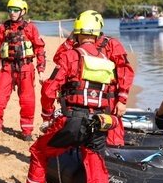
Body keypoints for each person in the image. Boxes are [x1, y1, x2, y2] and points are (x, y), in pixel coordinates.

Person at [19, 11, 123, 183]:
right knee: (96, 170)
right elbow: (112, 92)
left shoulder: (70, 56)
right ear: (97, 36)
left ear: (77, 34)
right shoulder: (107, 62)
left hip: (74, 119)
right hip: (100, 122)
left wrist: (47, 116)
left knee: (39, 151)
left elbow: (49, 89)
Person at [53, 10, 134, 146]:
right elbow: (58, 59)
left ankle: (113, 155)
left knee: (113, 135)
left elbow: (125, 72)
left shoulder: (111, 45)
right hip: (82, 99)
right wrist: (70, 41)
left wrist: (122, 100)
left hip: (108, 99)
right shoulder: (77, 44)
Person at [0, 0, 46, 142]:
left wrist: (41, 69)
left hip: (26, 67)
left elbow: (39, 48)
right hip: (7, 67)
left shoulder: (30, 28)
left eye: (15, 10)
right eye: (10, 10)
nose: (12, 13)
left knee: (27, 100)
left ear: (23, 11)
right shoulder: (3, 28)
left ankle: (26, 131)